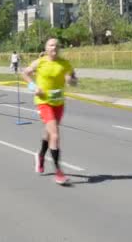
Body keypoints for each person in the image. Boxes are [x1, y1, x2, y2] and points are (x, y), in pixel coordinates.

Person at [23, 39, 77, 185]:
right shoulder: (40, 62)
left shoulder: (65, 63)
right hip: (44, 102)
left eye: (57, 45)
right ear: (46, 48)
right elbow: (25, 73)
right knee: (55, 134)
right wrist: (34, 87)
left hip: (58, 103)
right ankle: (59, 172)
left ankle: (40, 155)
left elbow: (73, 80)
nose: (55, 47)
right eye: (51, 45)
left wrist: (71, 80)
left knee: (48, 132)